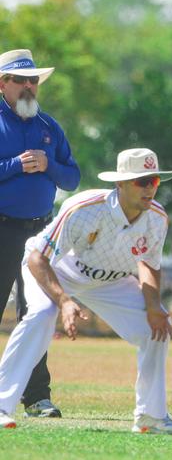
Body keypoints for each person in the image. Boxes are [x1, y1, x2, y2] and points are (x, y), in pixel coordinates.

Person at [0, 148, 172, 434]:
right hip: (55, 269)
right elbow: (39, 258)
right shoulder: (84, 209)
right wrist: (63, 301)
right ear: (120, 184)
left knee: (158, 327)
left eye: (154, 181)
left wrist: (153, 306)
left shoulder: (157, 218)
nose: (150, 188)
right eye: (142, 181)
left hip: (108, 281)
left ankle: (151, 416)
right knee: (41, 314)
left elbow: (149, 264)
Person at [0, 48, 80, 418]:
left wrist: (49, 166)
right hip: (2, 227)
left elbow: (73, 177)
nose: (29, 86)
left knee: (37, 312)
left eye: (33, 80)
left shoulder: (49, 127)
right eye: (20, 80)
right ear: (3, 84)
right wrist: (16, 165)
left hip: (40, 235)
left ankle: (35, 397)